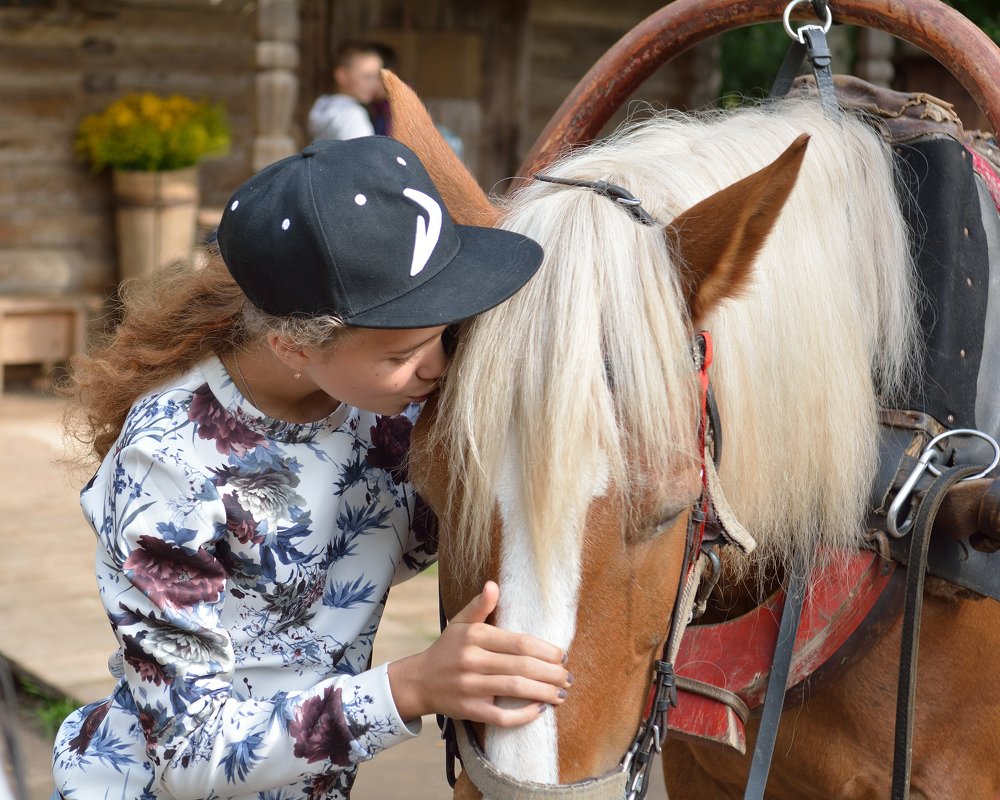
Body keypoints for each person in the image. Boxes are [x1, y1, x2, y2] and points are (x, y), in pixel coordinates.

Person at [52, 136, 567, 799]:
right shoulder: (169, 463)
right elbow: (189, 754)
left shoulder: (385, 405)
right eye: (404, 351)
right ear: (292, 345)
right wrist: (412, 687)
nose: (438, 367)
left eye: (445, 332)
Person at [308, 41, 383, 142]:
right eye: (367, 77)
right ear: (342, 75)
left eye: (377, 77)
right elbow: (363, 155)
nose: (374, 84)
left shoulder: (323, 103)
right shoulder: (352, 115)